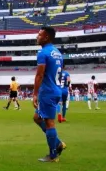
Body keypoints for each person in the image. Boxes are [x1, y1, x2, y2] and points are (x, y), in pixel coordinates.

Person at [32, 27, 66, 163]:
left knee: (49, 122)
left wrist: (34, 94)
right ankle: (58, 143)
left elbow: (39, 75)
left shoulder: (43, 53)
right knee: (36, 117)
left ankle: (53, 155)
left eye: (39, 34)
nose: (37, 36)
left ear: (46, 37)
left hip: (47, 91)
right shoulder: (57, 52)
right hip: (56, 89)